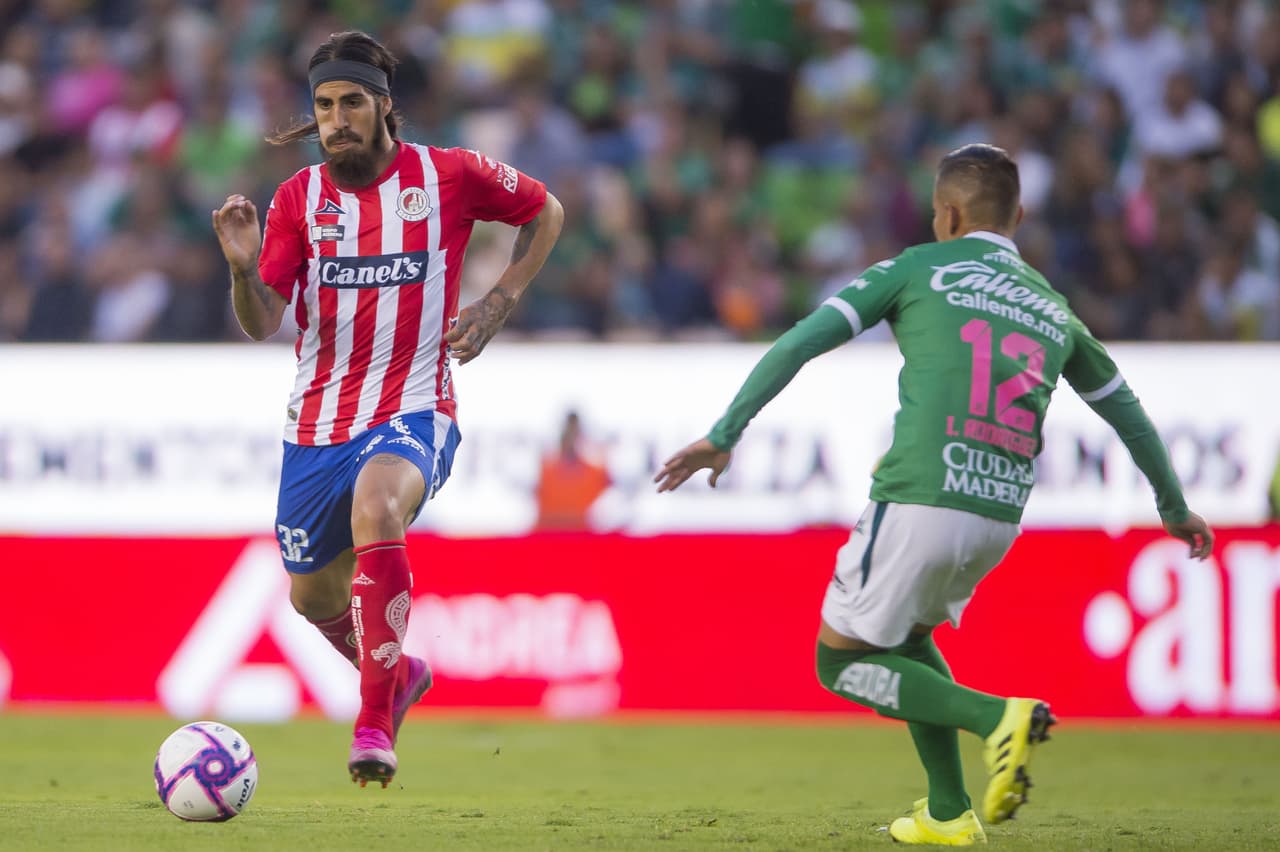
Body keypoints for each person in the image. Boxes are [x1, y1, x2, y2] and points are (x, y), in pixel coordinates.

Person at [655, 144, 1213, 846]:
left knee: (840, 662)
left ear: (947, 215)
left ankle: (996, 718)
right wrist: (1171, 506)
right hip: (999, 514)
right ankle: (948, 813)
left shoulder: (918, 267)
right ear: (1019, 215)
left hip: (921, 493)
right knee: (908, 638)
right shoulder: (1052, 304)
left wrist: (725, 431)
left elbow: (800, 341)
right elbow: (1125, 410)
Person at [211, 31, 563, 788]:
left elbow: (547, 210)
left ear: (384, 107)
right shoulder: (299, 200)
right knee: (312, 593)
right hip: (316, 423)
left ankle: (373, 722)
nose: (336, 119)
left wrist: (500, 299)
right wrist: (243, 272)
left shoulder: (451, 176)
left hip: (415, 403)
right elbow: (261, 319)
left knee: (378, 509)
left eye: (351, 103)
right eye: (325, 105)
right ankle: (399, 677)